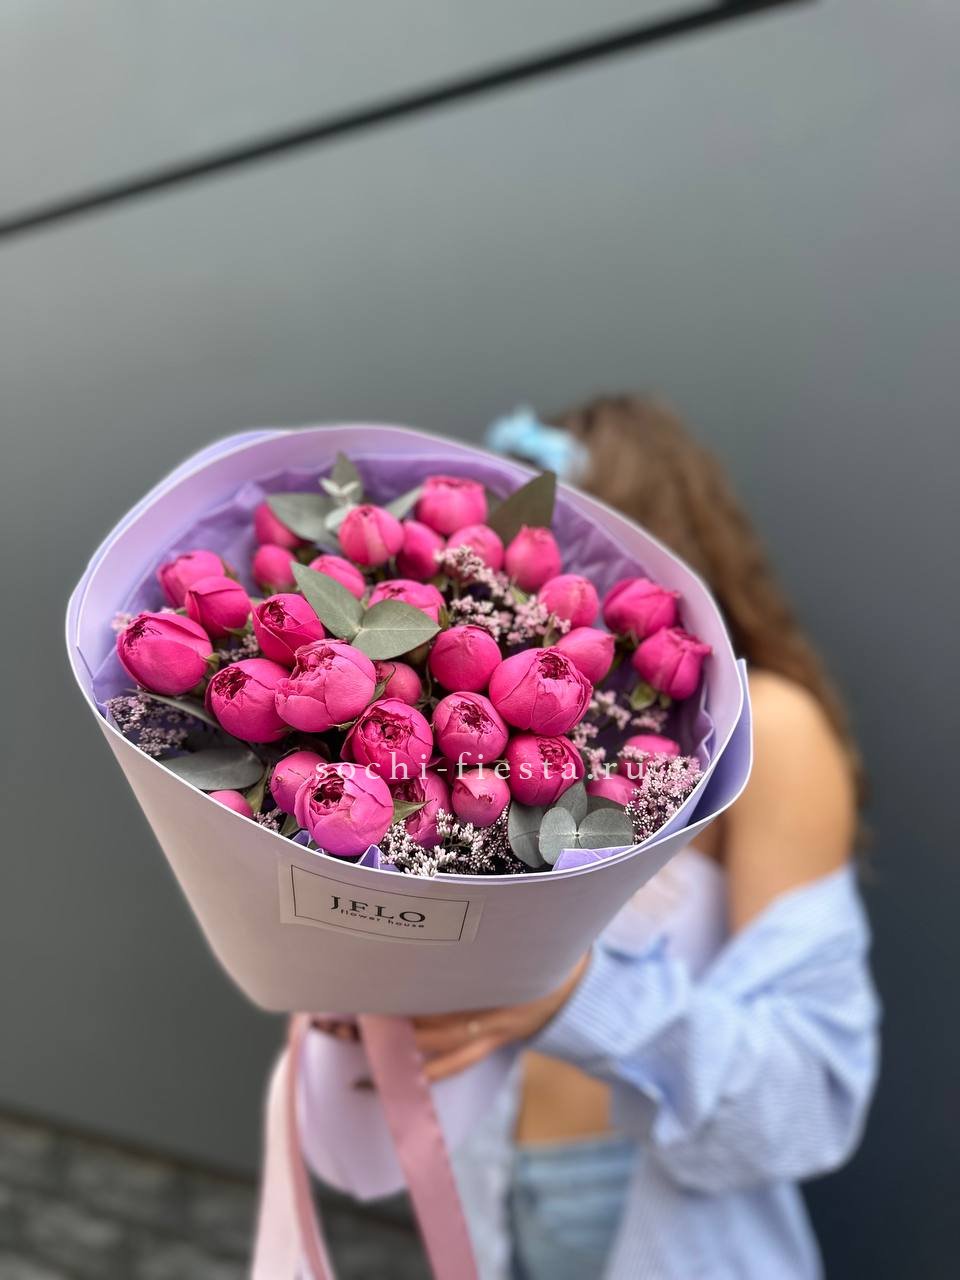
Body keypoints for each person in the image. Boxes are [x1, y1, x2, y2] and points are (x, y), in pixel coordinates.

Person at [415, 396, 880, 1280]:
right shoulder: (486, 728)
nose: (498, 578)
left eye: (536, 544)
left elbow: (811, 1098)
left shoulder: (771, 733)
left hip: (653, 1209)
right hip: (485, 1200)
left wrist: (579, 997)